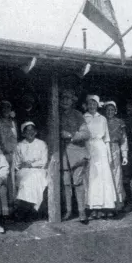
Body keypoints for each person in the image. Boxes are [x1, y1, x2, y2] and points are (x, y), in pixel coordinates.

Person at [84, 95, 118, 219]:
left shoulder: (102, 118)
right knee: (92, 178)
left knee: (104, 178)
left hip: (101, 149)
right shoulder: (84, 118)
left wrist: (108, 154)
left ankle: (105, 206)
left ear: (97, 105)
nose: (92, 106)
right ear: (87, 105)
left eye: (94, 103)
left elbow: (107, 138)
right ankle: (93, 208)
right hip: (89, 147)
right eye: (90, 103)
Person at [60, 89, 91, 224]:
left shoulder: (77, 115)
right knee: (66, 183)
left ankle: (81, 212)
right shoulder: (56, 114)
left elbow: (86, 133)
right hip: (62, 154)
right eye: (63, 98)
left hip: (77, 153)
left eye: (68, 98)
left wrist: (71, 136)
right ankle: (68, 211)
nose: (65, 101)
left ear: (72, 101)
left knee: (78, 183)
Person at [13, 122, 49, 220]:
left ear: (36, 132)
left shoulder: (41, 143)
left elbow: (44, 161)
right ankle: (31, 209)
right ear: (23, 133)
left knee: (33, 178)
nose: (30, 132)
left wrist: (31, 164)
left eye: (32, 130)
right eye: (27, 130)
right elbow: (17, 164)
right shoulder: (19, 145)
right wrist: (23, 166)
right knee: (27, 179)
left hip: (39, 170)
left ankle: (28, 209)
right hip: (23, 171)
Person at [105, 101, 128, 212]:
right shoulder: (102, 121)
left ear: (115, 111)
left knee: (116, 175)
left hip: (115, 148)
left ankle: (118, 203)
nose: (110, 112)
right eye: (108, 110)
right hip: (103, 149)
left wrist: (124, 155)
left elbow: (124, 139)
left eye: (112, 110)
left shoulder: (119, 122)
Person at [0, 100, 18, 203]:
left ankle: (15, 203)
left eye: (8, 108)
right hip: (4, 154)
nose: (6, 110)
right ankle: (8, 204)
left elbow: (16, 137)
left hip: (15, 153)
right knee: (6, 179)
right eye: (3, 108)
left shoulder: (13, 122)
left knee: (14, 179)